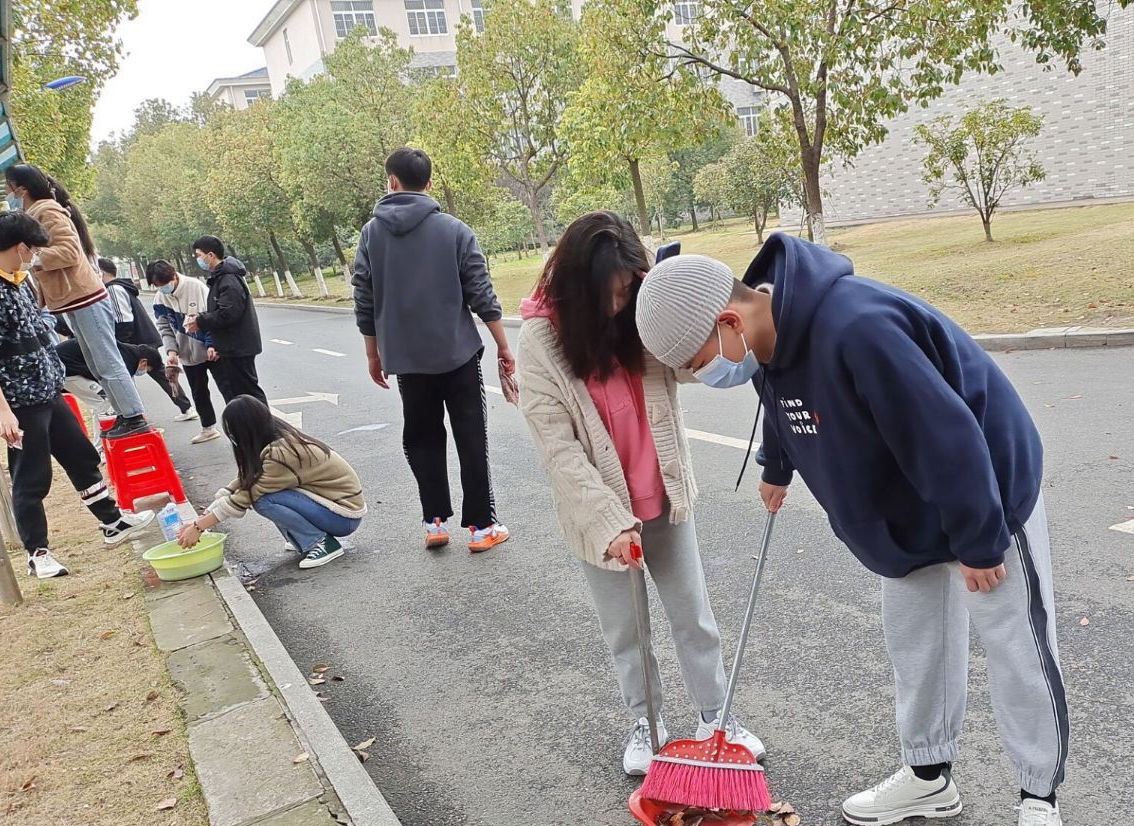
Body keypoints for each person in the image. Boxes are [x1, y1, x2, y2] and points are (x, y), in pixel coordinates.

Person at [635, 237, 1071, 826]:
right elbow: (783, 396)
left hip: (984, 491)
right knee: (916, 643)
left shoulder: (859, 328)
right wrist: (777, 465)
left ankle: (1040, 799)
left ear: (727, 321)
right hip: (906, 510)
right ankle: (928, 777)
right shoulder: (767, 337)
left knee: (1015, 645)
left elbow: (946, 435)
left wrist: (981, 541)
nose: (707, 377)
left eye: (699, 364)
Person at [516, 212, 766, 775]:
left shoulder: (642, 313)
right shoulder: (540, 341)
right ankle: (646, 723)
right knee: (627, 633)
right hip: (601, 520)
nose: (617, 304)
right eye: (607, 293)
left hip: (664, 500)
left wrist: (684, 300)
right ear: (577, 288)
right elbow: (558, 450)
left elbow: (690, 363)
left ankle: (716, 717)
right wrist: (608, 522)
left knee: (693, 617)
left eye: (627, 289)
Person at [0, 211, 155, 577]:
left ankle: (112, 522)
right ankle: (38, 552)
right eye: (33, 250)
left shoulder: (17, 280)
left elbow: (37, 328)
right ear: (20, 247)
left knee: (81, 456)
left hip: (48, 389)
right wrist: (2, 410)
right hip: (19, 401)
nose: (35, 257)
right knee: (32, 477)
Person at [352, 147, 515, 553]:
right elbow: (481, 294)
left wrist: (373, 354)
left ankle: (434, 523)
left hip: (407, 362)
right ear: (428, 183)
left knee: (422, 438)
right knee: (471, 438)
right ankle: (480, 528)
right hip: (458, 356)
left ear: (392, 181)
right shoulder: (455, 230)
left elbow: (364, 299)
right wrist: (503, 345)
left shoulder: (371, 235)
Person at [0, 165, 151, 440]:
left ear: (21, 189)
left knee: (106, 361)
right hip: (73, 301)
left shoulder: (48, 211)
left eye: (7, 187)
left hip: (85, 297)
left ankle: (134, 416)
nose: (6, 193)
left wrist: (31, 257)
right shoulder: (33, 213)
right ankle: (125, 414)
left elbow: (70, 251)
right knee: (97, 363)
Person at [177, 396, 365, 570]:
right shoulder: (274, 438)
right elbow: (245, 480)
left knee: (263, 500)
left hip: (343, 516)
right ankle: (302, 536)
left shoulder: (282, 453)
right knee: (264, 494)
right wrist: (200, 520)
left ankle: (321, 542)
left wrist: (199, 527)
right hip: (330, 507)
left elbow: (247, 495)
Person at [98, 256, 197, 423]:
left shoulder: (113, 289)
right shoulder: (123, 286)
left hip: (135, 343)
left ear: (101, 273)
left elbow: (124, 320)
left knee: (124, 379)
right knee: (160, 375)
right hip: (144, 339)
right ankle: (186, 407)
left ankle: (135, 416)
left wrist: (121, 346)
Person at [147, 259, 223, 444]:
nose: (162, 288)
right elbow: (165, 328)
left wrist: (212, 344)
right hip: (188, 355)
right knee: (199, 392)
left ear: (174, 276)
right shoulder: (160, 298)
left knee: (226, 387)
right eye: (157, 285)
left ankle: (242, 425)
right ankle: (208, 428)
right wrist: (171, 352)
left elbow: (212, 318)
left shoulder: (196, 287)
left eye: (164, 284)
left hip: (211, 350)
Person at [183, 236, 266, 405]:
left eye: (199, 255)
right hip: (231, 345)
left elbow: (228, 313)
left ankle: (264, 421)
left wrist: (201, 321)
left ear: (210, 255)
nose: (198, 259)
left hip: (238, 346)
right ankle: (250, 421)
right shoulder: (220, 277)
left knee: (249, 392)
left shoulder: (228, 279)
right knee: (240, 393)